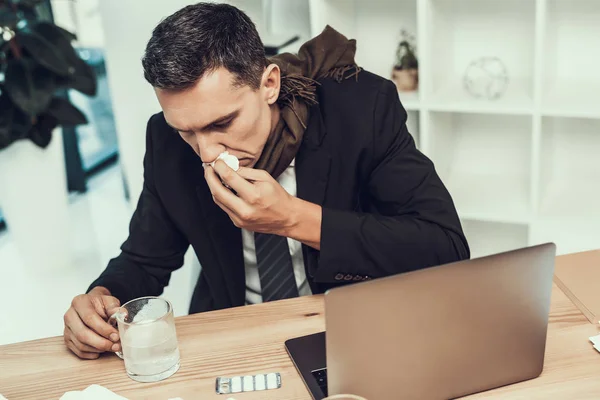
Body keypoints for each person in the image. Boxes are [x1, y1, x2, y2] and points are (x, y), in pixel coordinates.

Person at [63, 2, 469, 359]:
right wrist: (100, 299)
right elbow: (144, 258)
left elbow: (444, 247)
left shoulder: (362, 110)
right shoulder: (166, 141)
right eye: (186, 131)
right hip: (235, 332)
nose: (206, 153)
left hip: (357, 329)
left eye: (222, 123)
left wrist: (294, 219)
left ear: (269, 84)